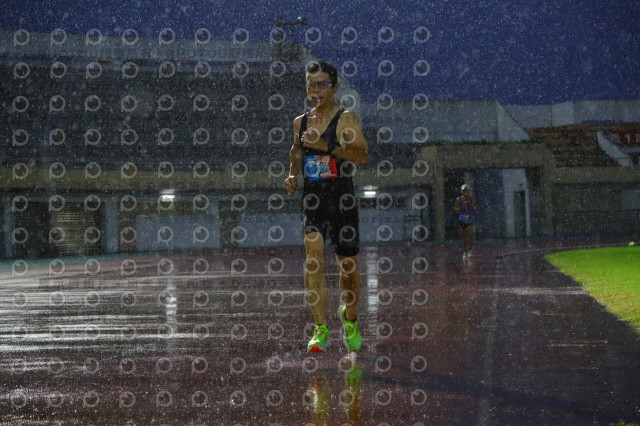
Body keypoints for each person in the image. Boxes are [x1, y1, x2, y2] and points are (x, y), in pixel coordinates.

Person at [284, 61, 369, 353]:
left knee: (348, 269)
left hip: (342, 201)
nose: (315, 90)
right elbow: (296, 151)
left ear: (334, 87)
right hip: (314, 200)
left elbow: (363, 157)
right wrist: (292, 175)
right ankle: (320, 327)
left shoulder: (346, 119)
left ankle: (350, 317)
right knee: (313, 257)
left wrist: (327, 148)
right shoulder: (300, 122)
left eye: (321, 84)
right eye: (310, 84)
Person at [454, 184, 478, 259]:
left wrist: (474, 209)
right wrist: (461, 208)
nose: (466, 192)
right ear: (462, 191)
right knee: (464, 237)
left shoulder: (472, 199)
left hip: (470, 219)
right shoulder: (459, 199)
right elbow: (455, 209)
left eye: (467, 191)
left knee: (470, 235)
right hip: (462, 220)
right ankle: (465, 251)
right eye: (464, 191)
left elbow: (476, 208)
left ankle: (470, 249)